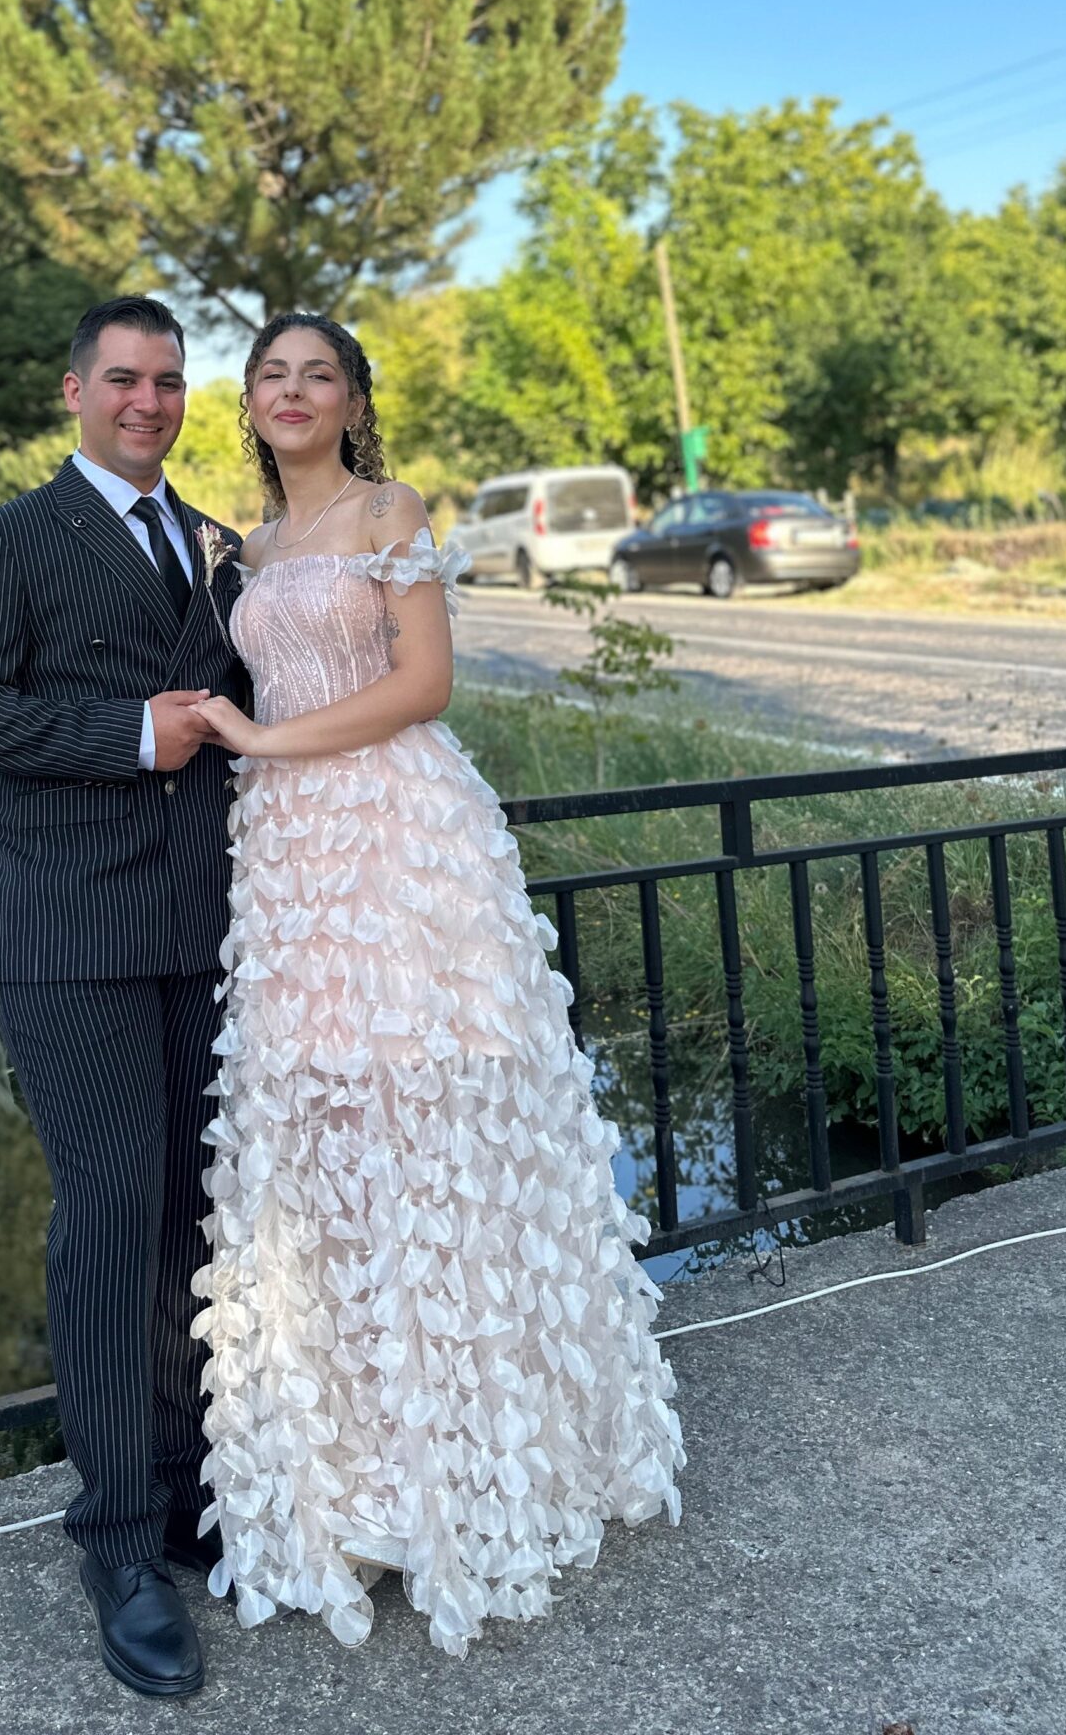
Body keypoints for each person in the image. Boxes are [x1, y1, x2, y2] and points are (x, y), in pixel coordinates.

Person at [190, 312, 683, 1658]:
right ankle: (356, 1482)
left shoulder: (387, 510)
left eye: (319, 375)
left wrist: (261, 738)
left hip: (400, 842)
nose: (294, 392)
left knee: (434, 1132)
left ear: (354, 402)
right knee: (328, 1146)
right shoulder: (250, 548)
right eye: (272, 375)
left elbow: (426, 684)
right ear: (252, 403)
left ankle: (476, 1471)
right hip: (289, 858)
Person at [0, 296, 246, 1701]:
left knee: (188, 1216)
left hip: (206, 928)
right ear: (75, 391)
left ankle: (181, 1493)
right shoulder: (4, 541)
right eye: (123, 378)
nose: (147, 402)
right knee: (111, 1217)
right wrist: (129, 733)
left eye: (168, 382)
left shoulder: (216, 543)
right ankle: (115, 1542)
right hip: (67, 932)